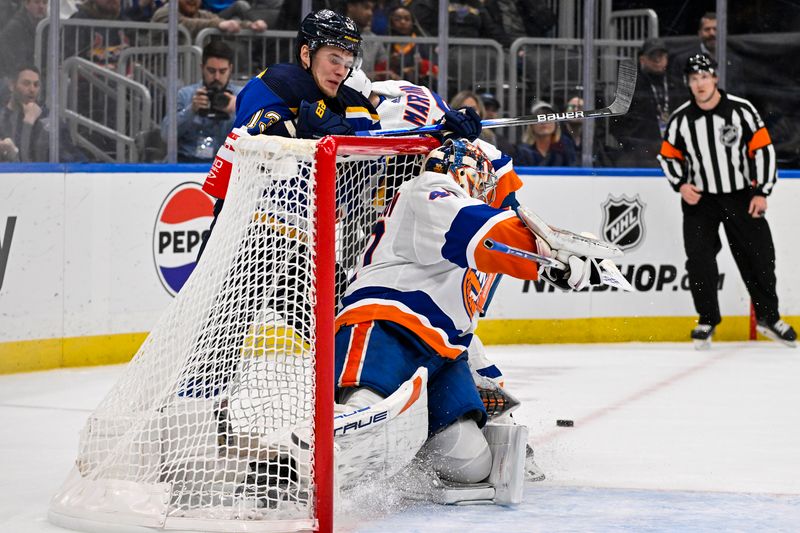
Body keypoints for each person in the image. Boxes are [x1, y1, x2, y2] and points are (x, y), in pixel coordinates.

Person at [334, 137, 605, 494]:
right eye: (482, 180)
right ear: (464, 172)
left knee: (469, 465)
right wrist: (552, 254)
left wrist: (550, 265)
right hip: (386, 324)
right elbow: (480, 229)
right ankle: (286, 462)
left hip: (440, 356)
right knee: (363, 416)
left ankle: (407, 453)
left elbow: (469, 340)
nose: (486, 191)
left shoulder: (472, 259)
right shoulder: (428, 189)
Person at [657, 53, 797, 348]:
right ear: (688, 83)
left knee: (760, 257)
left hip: (741, 196)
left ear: (715, 78)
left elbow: (764, 150)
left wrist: (762, 191)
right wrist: (681, 185)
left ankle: (769, 317)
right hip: (700, 202)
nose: (700, 84)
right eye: (694, 79)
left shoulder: (741, 110)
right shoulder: (681, 119)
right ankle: (707, 319)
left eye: (704, 77)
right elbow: (667, 157)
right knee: (700, 261)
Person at [161, 41, 242, 163]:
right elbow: (166, 135)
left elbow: (261, 136)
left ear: (230, 69)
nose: (217, 77)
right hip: (188, 163)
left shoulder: (242, 97)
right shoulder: (186, 95)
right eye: (211, 71)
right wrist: (190, 110)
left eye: (222, 71)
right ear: (202, 68)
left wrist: (240, 109)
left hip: (229, 165)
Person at [612, 38, 677, 167]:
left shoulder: (676, 84)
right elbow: (616, 124)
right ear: (642, 59)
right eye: (653, 55)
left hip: (674, 150)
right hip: (641, 155)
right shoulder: (630, 86)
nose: (658, 59)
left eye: (661, 55)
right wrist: (636, 146)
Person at [0, 66, 48, 162]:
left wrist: (28, 123)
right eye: (26, 84)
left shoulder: (47, 120)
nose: (32, 89)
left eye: (36, 85)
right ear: (12, 85)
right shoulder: (1, 119)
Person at [152, 0, 262, 39]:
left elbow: (224, 22)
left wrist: (250, 25)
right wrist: (217, 24)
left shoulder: (203, 15)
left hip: (192, 77)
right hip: (159, 75)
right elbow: (183, 24)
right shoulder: (163, 12)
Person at [515, 100, 577, 167]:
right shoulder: (522, 151)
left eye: (548, 117)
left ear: (555, 124)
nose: (544, 122)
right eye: (539, 118)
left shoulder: (565, 146)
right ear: (531, 126)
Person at [0, 0, 47, 80]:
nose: (41, 6)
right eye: (37, 2)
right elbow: (15, 63)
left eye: (45, 2)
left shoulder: (46, 26)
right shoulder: (15, 28)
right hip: (13, 79)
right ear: (26, 4)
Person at [343, 0, 387, 79]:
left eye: (371, 9)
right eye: (366, 7)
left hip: (365, 88)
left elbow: (383, 63)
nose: (370, 13)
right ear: (351, 7)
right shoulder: (335, 33)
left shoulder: (374, 40)